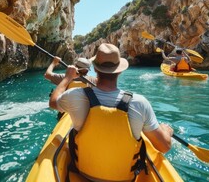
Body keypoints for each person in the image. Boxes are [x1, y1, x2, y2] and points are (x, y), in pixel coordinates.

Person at [49, 43, 173, 182]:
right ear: (119, 71)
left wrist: (67, 78)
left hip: (83, 174)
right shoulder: (139, 103)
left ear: (95, 69)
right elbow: (164, 146)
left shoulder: (75, 96)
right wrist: (166, 130)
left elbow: (53, 102)